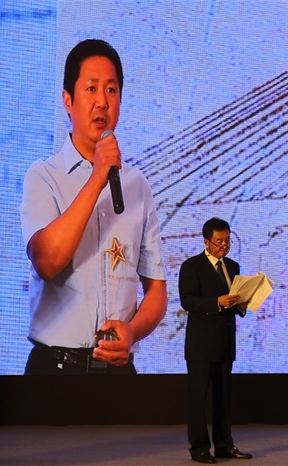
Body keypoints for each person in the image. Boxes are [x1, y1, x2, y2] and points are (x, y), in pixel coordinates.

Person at [19, 39, 168, 375]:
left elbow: (157, 290)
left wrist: (132, 331)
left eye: (111, 90)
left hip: (118, 371)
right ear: (67, 101)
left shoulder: (137, 186)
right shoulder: (43, 176)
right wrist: (97, 177)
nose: (102, 101)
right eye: (91, 88)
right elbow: (47, 261)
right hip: (55, 371)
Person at [179, 217, 252, 464]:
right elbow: (187, 300)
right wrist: (216, 302)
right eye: (219, 241)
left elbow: (234, 302)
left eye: (227, 240)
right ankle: (199, 448)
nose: (224, 245)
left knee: (223, 398)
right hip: (200, 344)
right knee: (198, 399)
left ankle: (224, 445)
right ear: (206, 242)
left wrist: (241, 306)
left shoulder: (233, 266)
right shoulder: (192, 266)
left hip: (225, 341)